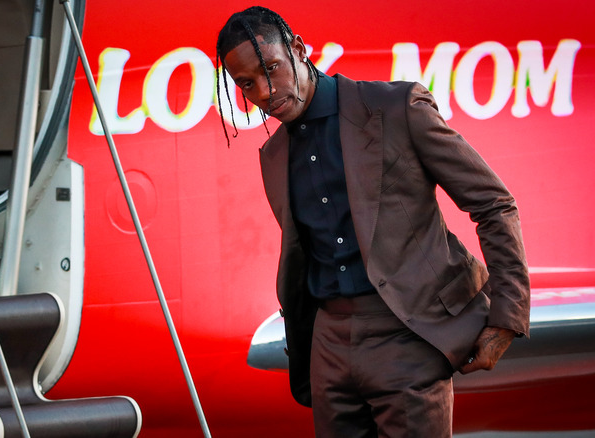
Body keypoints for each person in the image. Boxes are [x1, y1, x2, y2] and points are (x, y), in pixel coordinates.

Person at [216, 6, 530, 437]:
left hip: (407, 334)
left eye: (271, 68)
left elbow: (494, 204)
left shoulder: (396, 107)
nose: (266, 92)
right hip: (328, 345)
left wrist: (506, 318)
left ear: (298, 50)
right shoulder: (273, 156)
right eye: (247, 83)